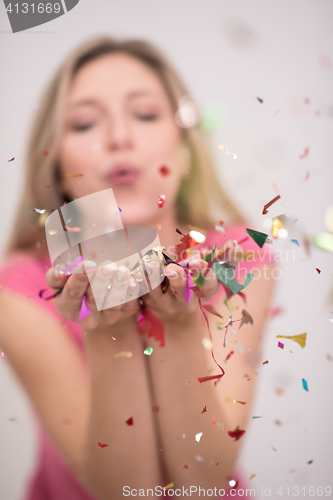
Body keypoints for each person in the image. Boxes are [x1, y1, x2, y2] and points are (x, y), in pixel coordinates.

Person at [0, 37, 275, 500]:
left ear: (185, 148)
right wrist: (106, 330)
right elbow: (126, 493)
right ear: (58, 164)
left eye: (145, 114)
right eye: (85, 122)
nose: (118, 138)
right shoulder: (18, 289)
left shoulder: (239, 256)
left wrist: (181, 322)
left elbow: (204, 483)